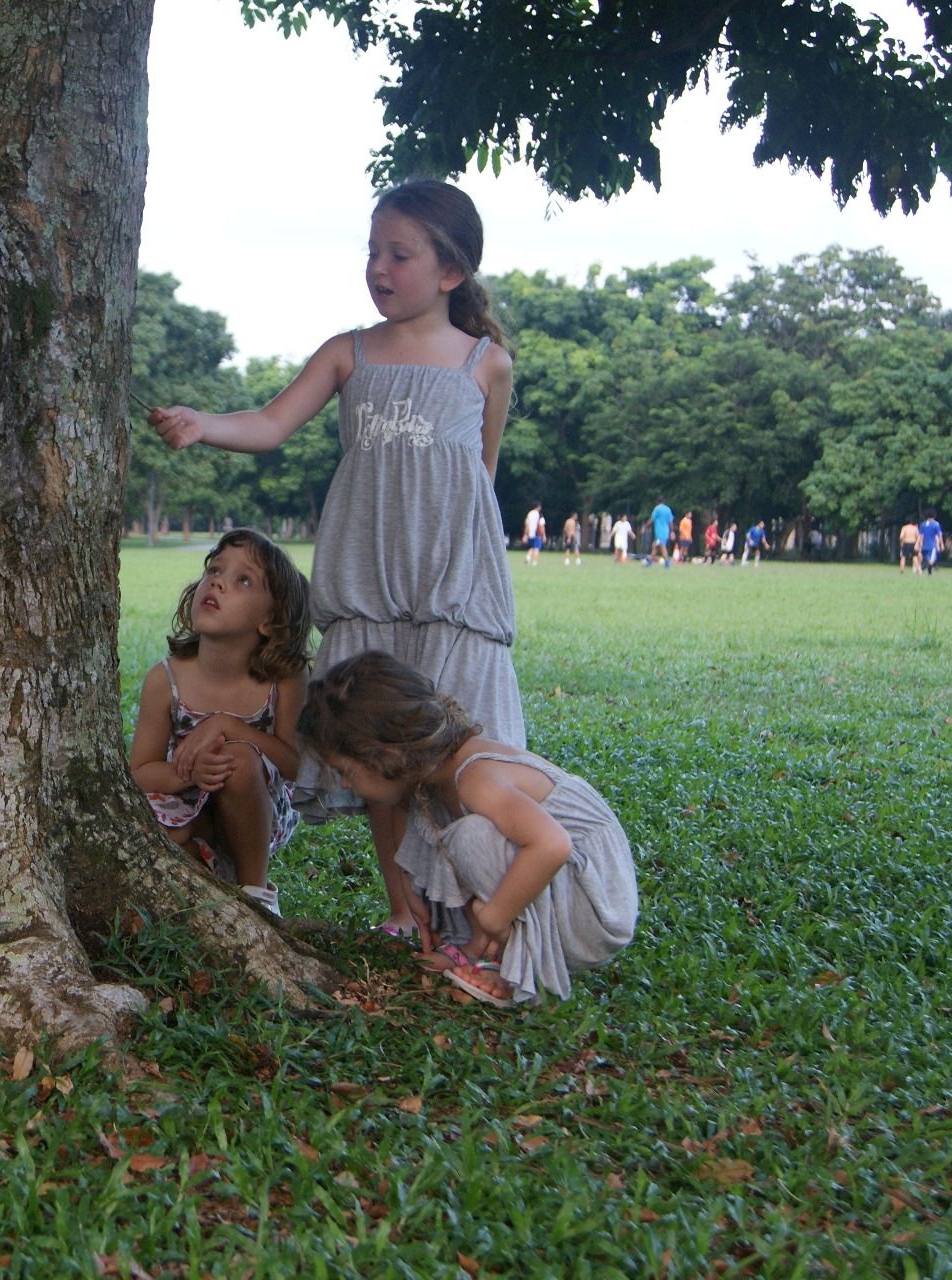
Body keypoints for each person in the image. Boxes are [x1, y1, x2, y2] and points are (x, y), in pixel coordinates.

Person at [148, 178, 521, 942]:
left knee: (449, 750)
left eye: (400, 254)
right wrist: (201, 424)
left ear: (451, 272)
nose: (379, 267)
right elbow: (271, 421)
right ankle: (403, 910)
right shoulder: (348, 354)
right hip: (370, 591)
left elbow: (479, 481)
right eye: (372, 251)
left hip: (449, 598)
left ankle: (472, 907)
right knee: (376, 754)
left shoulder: (486, 365)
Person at [298, 651, 637, 1006]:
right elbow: (403, 814)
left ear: (386, 756)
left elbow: (552, 844)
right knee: (453, 833)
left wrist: (495, 916)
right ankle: (479, 948)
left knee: (471, 837)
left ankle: (511, 965)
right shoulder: (434, 772)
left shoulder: (476, 777)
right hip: (568, 893)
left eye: (345, 772)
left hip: (594, 908)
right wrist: (409, 887)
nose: (345, 786)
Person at [129, 529, 312, 917]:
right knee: (171, 832)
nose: (217, 581)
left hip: (254, 810)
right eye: (214, 569)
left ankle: (257, 895)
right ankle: (210, 868)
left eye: (242, 579)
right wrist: (189, 773)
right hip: (188, 804)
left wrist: (231, 727)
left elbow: (298, 766)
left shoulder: (285, 678)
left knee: (240, 759)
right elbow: (140, 772)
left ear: (269, 620)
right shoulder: (166, 680)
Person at [648, 500, 673, 566]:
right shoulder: (668, 509)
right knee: (655, 546)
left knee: (662, 546)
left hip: (659, 532)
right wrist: (672, 531)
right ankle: (650, 561)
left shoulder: (657, 508)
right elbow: (670, 521)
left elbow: (652, 519)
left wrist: (646, 526)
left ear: (657, 502)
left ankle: (667, 562)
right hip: (665, 531)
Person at [919, 510, 942, 575]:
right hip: (932, 546)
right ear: (934, 516)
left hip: (924, 546)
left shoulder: (923, 524)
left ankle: (929, 573)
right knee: (932, 560)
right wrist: (941, 544)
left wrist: (919, 544)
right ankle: (921, 568)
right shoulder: (936, 524)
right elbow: (939, 535)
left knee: (928, 560)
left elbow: (920, 536)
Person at [522, 501, 544, 565]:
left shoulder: (529, 514)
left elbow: (526, 524)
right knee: (536, 548)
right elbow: (541, 525)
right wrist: (543, 535)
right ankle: (535, 562)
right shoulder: (539, 515)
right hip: (537, 533)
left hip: (530, 534)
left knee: (532, 547)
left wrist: (525, 535)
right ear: (538, 507)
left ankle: (528, 558)